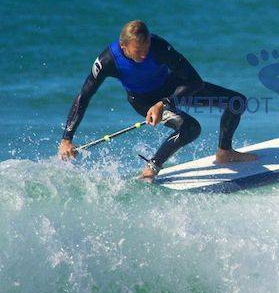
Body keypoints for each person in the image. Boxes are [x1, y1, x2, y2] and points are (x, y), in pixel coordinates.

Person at [58, 20, 257, 180]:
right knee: (190, 128)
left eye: (146, 49)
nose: (144, 55)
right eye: (138, 51)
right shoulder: (107, 61)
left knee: (235, 101)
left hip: (171, 90)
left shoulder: (159, 47)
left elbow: (194, 81)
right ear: (123, 46)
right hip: (143, 100)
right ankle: (151, 169)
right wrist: (67, 138)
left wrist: (165, 103)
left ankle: (224, 152)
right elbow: (84, 96)